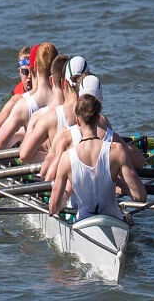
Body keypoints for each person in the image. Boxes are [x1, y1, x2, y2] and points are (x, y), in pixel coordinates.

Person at [48, 89, 147, 219]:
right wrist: (120, 184)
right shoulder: (117, 151)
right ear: (98, 119)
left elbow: (53, 208)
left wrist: (69, 191)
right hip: (113, 220)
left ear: (78, 121)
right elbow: (140, 196)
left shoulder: (67, 158)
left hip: (83, 222)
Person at [18, 55, 87, 164]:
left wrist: (56, 158)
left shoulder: (46, 118)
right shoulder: (97, 117)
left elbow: (24, 156)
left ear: (64, 83)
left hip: (55, 177)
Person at [0, 42, 58, 149]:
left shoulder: (21, 104)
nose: (28, 77)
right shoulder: (68, 98)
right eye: (24, 72)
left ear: (34, 68)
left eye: (28, 71)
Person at [0, 46, 33, 136]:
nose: (29, 76)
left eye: (33, 71)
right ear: (19, 71)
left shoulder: (49, 94)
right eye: (25, 72)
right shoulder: (10, 99)